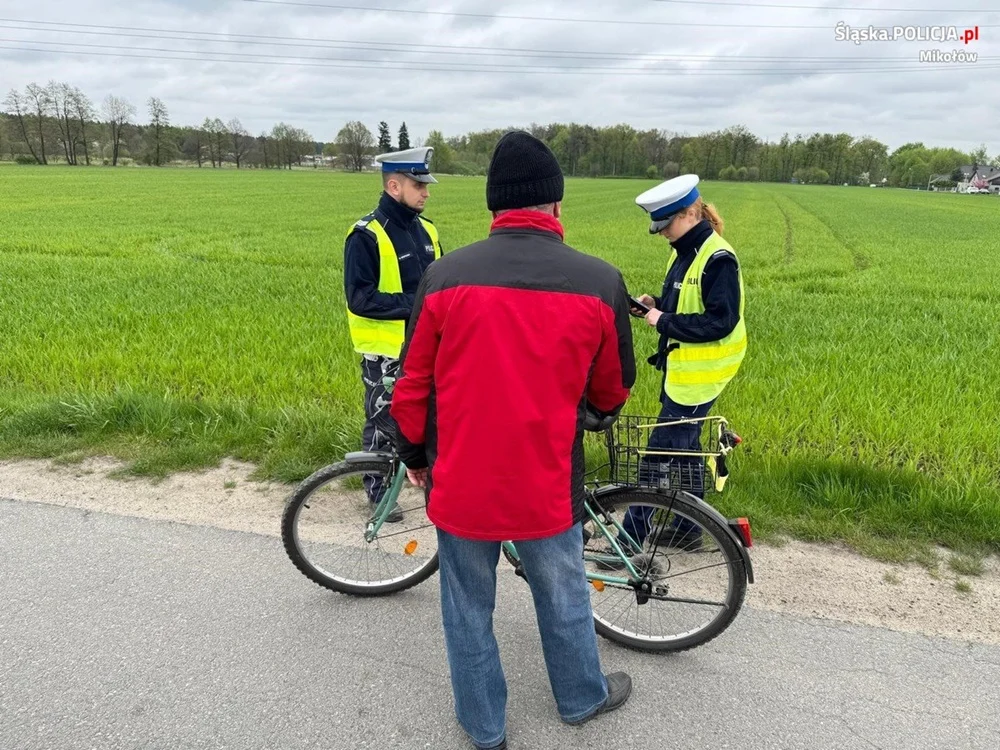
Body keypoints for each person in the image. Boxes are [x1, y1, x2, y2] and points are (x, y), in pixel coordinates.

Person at [389, 132, 636, 750]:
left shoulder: (445, 277)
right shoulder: (600, 281)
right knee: (564, 590)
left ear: (494, 207)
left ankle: (484, 726)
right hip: (546, 481)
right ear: (554, 205)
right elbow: (613, 391)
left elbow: (413, 380)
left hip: (462, 479)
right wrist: (589, 415)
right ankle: (581, 698)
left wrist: (415, 454)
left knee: (467, 606)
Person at [622, 173, 747, 550]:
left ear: (692, 213)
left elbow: (721, 321)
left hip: (701, 374)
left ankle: (628, 542)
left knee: (660, 454)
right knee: (686, 448)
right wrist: (656, 306)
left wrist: (666, 321)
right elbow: (682, 302)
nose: (661, 232)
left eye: (667, 224)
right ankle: (688, 529)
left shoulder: (718, 258)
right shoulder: (684, 250)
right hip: (681, 370)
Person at [343, 146, 443, 521]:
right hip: (385, 350)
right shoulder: (365, 236)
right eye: (419, 185)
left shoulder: (428, 230)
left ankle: (425, 474)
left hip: (426, 344)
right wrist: (418, 304)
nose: (426, 192)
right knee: (384, 421)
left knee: (432, 413)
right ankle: (378, 490)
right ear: (394, 185)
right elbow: (360, 299)